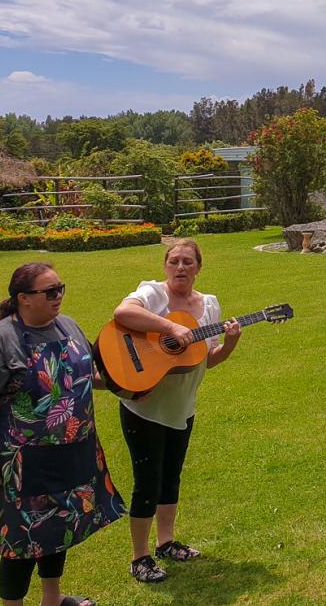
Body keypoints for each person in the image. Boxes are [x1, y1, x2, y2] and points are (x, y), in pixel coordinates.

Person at [0, 262, 124, 606]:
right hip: (26, 463)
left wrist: (127, 385)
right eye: (49, 291)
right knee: (20, 541)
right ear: (23, 298)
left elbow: (85, 374)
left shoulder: (67, 326)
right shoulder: (0, 340)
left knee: (60, 528)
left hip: (75, 451)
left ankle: (53, 599)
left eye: (60, 288)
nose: (58, 297)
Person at [113, 239, 242, 583]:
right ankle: (139, 557)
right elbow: (122, 314)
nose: (181, 267)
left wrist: (228, 344)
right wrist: (170, 327)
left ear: (199, 267)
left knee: (171, 476)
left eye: (188, 262)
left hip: (182, 405)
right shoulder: (153, 293)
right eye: (175, 261)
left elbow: (206, 359)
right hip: (145, 405)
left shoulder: (209, 305)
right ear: (165, 265)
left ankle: (166, 542)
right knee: (147, 482)